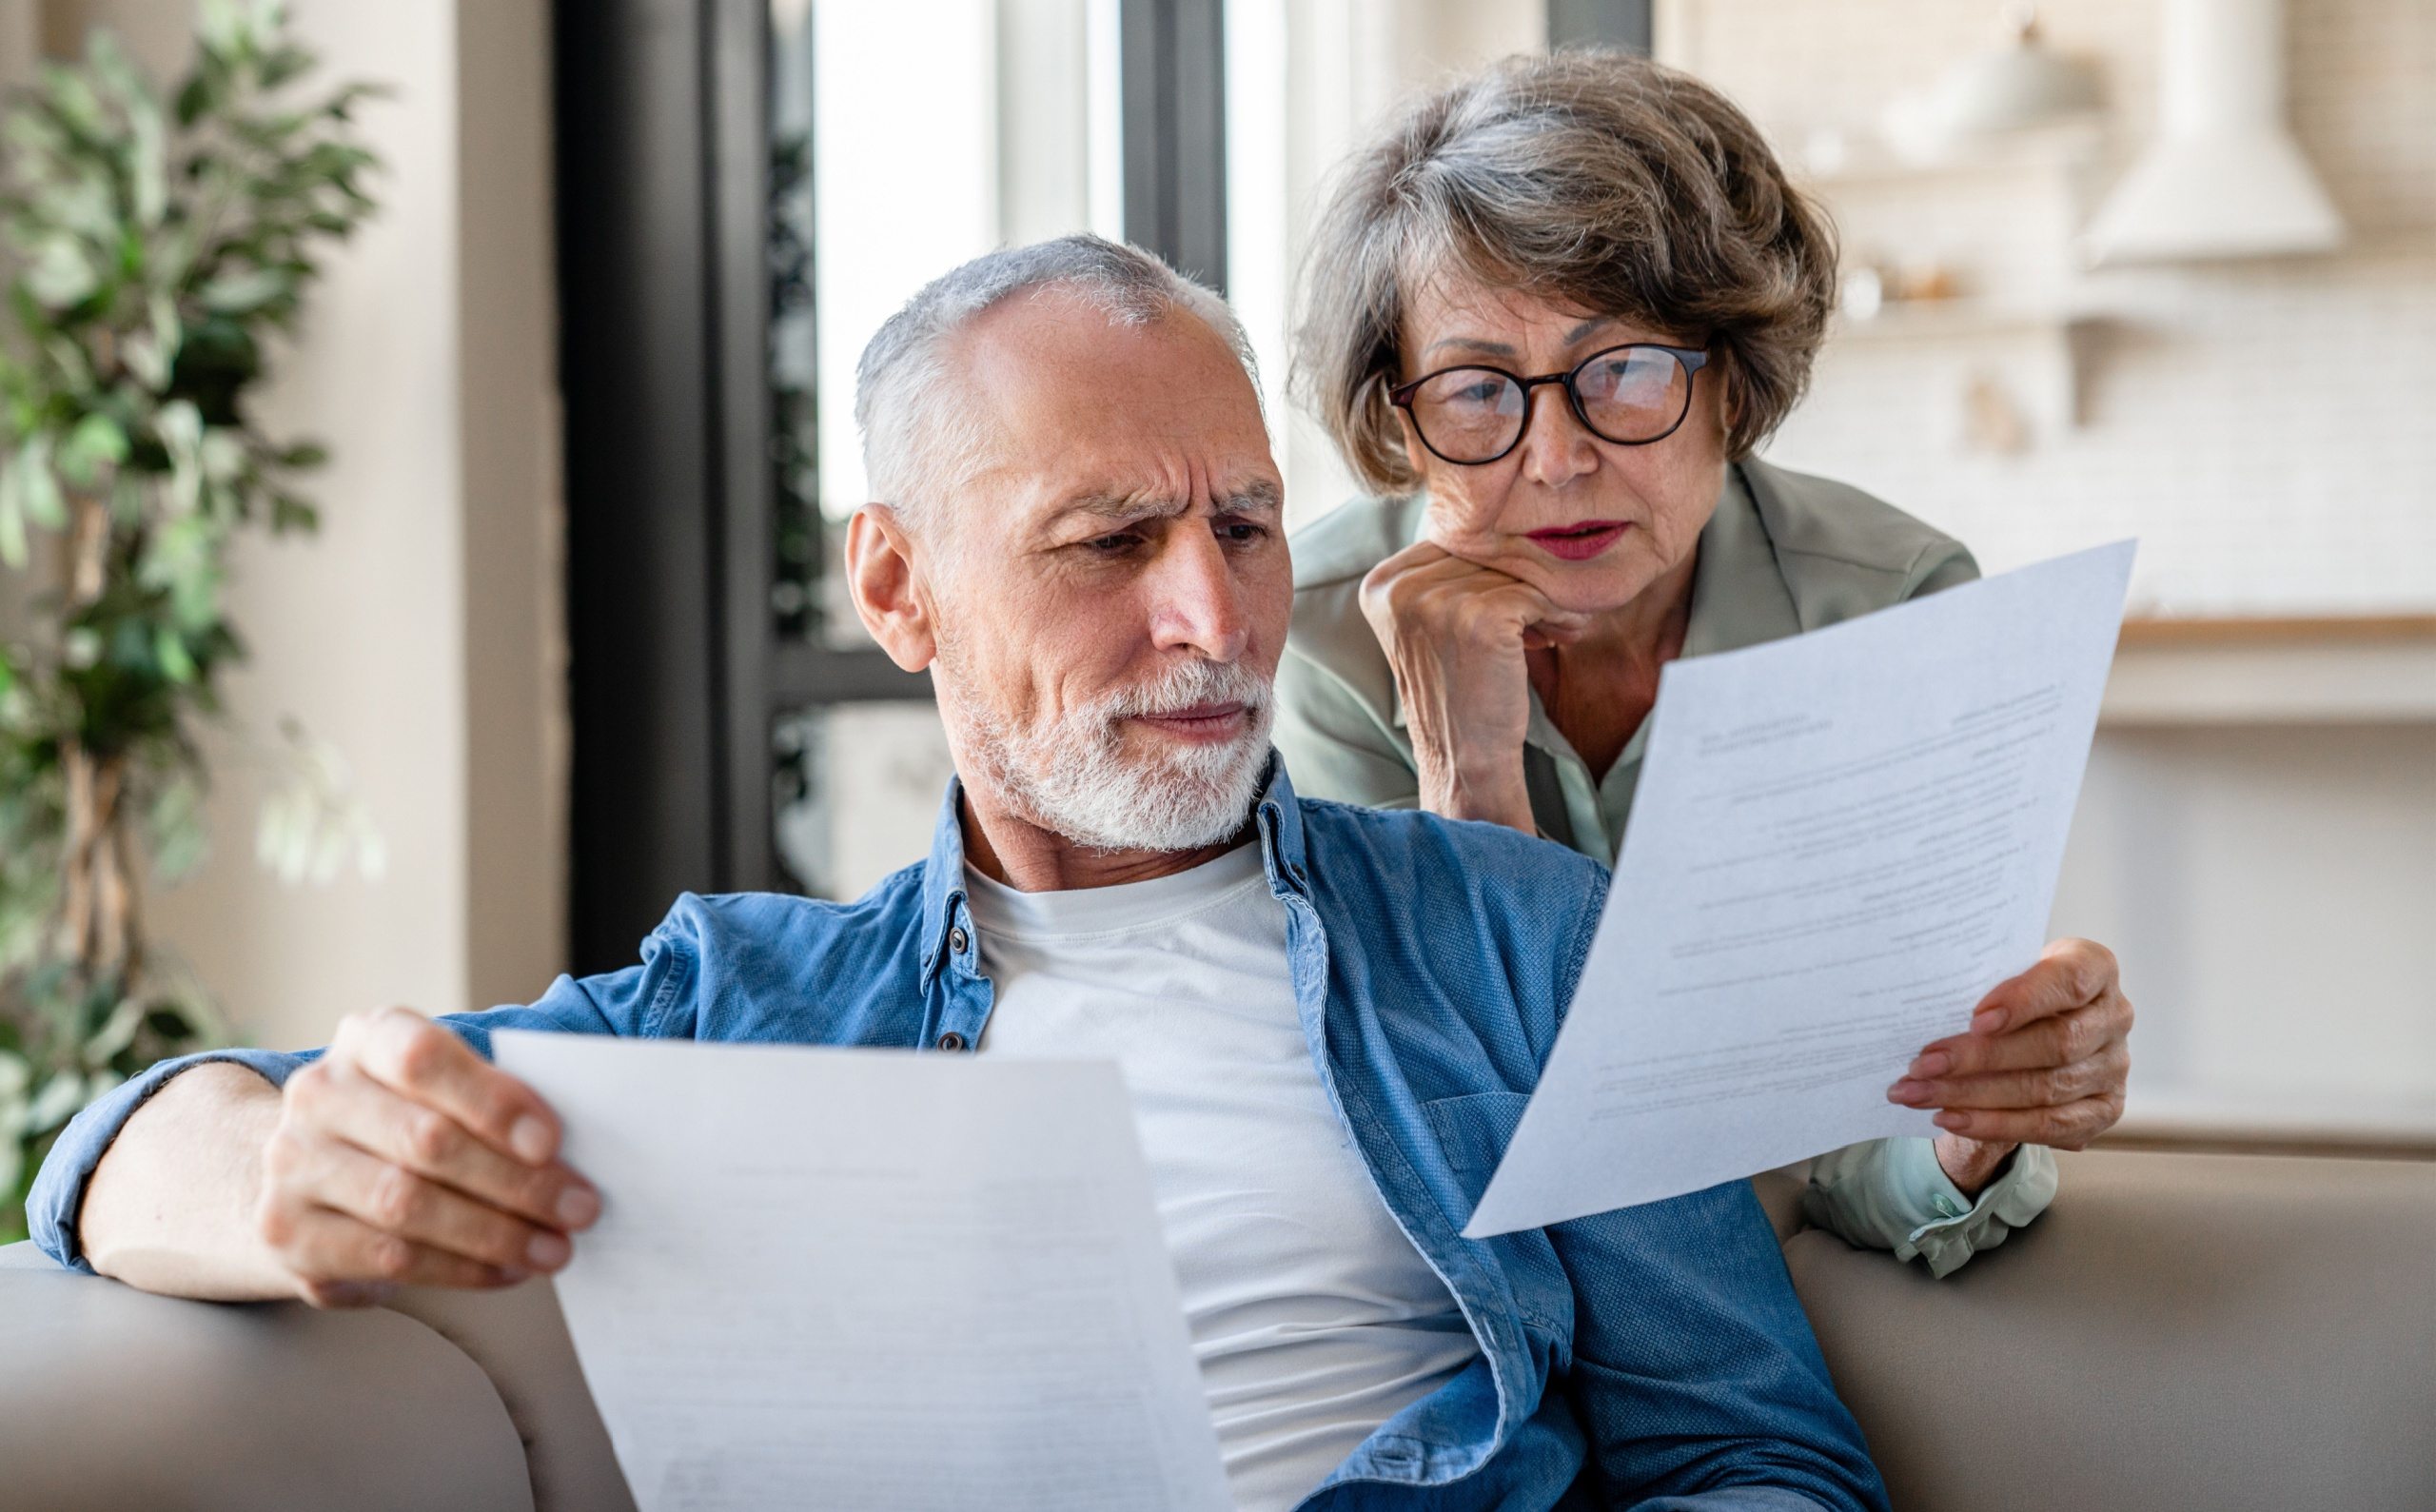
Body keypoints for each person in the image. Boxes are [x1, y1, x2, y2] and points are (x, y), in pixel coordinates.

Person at [31, 236, 1887, 1512]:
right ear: (895, 587)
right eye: (1109, 541)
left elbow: (1750, 1450)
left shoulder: (1516, 932)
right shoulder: (738, 1010)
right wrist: (298, 1178)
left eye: (1245, 525)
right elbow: (103, 1149)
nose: (1213, 614)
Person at [1275, 50, 2132, 1278]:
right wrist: (1467, 783)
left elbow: (1857, 1140)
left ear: (1731, 380)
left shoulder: (1889, 613)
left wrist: (1972, 1127)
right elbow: (1431, 1143)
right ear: (1400, 424)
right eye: (1475, 390)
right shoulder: (1319, 641)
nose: (1556, 458)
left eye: (1620, 370)